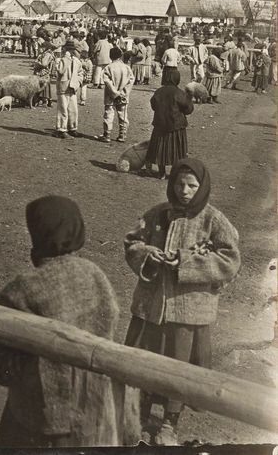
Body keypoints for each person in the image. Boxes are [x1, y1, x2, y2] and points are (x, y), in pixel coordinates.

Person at [0, 195, 137, 448]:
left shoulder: (24, 288)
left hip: (41, 415)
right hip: (93, 404)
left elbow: (1, 357)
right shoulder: (94, 274)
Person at [124, 158, 241, 445]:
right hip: (152, 307)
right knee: (145, 361)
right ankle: (138, 415)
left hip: (189, 310)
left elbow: (230, 259)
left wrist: (186, 262)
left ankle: (169, 423)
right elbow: (132, 242)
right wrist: (149, 254)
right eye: (178, 184)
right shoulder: (157, 214)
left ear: (202, 187)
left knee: (178, 367)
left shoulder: (213, 219)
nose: (184, 191)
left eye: (191, 185)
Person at [144, 69, 194, 179]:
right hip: (176, 126)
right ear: (177, 79)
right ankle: (174, 173)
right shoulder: (180, 93)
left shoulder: (159, 91)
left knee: (161, 149)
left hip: (160, 125)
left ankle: (161, 172)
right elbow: (188, 109)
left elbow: (153, 106)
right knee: (176, 150)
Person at [97, 47, 134, 143]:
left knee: (109, 114)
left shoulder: (108, 68)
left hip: (110, 95)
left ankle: (107, 135)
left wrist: (115, 93)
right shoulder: (127, 67)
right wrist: (124, 93)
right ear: (120, 56)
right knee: (123, 115)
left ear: (110, 56)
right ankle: (122, 135)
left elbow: (107, 81)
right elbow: (131, 81)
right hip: (123, 96)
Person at [54, 42, 83, 139]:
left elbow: (80, 73)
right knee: (63, 110)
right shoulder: (61, 60)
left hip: (73, 87)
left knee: (73, 109)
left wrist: (78, 82)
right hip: (63, 87)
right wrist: (66, 58)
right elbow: (60, 71)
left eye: (71, 49)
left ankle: (72, 128)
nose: (70, 51)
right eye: (68, 49)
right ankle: (61, 130)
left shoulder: (76, 61)